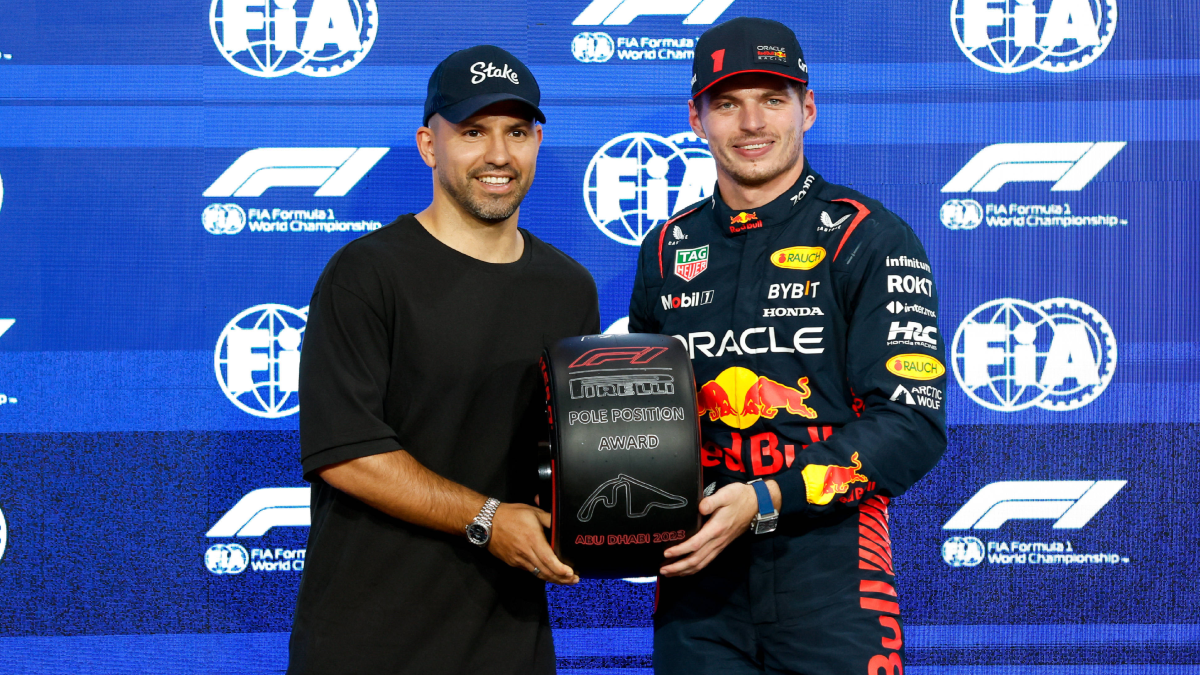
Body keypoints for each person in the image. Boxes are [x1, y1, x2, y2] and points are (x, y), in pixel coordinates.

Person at [628, 17, 947, 675]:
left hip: (832, 579)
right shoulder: (665, 249)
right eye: (728, 103)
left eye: (772, 99)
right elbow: (648, 420)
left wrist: (768, 497)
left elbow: (911, 422)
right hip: (698, 585)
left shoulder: (868, 237)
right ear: (697, 117)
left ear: (807, 107)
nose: (751, 123)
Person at [288, 45, 599, 675]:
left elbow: (574, 456)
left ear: (537, 141)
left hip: (509, 640)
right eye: (473, 133)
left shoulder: (571, 289)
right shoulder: (366, 274)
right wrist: (488, 520)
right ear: (430, 145)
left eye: (517, 132)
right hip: (367, 644)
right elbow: (347, 454)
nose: (499, 156)